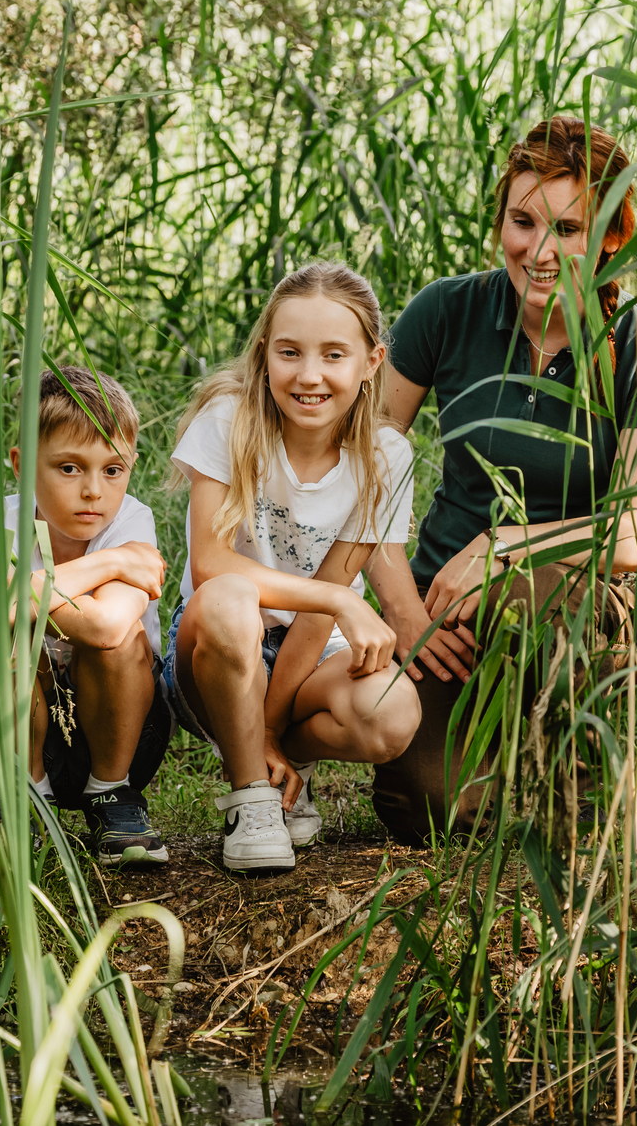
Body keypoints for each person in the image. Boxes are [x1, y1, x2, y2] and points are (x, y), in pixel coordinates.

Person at [366, 116, 637, 844]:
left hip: (578, 604)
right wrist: (403, 609)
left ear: (611, 237)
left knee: (528, 592)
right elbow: (366, 467)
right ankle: (492, 753)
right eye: (521, 221)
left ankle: (582, 796)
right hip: (442, 615)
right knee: (426, 810)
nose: (538, 251)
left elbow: (634, 533)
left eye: (568, 229)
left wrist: (505, 544)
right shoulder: (446, 311)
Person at [161, 262, 421, 872]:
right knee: (230, 599)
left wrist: (273, 728)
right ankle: (252, 794)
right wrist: (340, 601)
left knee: (392, 712)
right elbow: (211, 564)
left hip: (308, 654)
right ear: (264, 353)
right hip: (216, 649)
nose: (309, 375)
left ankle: (281, 759)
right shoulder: (230, 421)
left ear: (372, 362)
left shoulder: (386, 456)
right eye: (289, 352)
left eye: (334, 354)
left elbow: (320, 606)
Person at [0, 366, 173, 865]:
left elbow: (105, 628)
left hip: (123, 731)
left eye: (112, 470)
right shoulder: (1, 522)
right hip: (31, 730)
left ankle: (112, 796)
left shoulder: (131, 521)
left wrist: (23, 598)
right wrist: (110, 563)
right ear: (21, 465)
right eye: (68, 468)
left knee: (121, 640)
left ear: (131, 466)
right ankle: (27, 796)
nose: (93, 491)